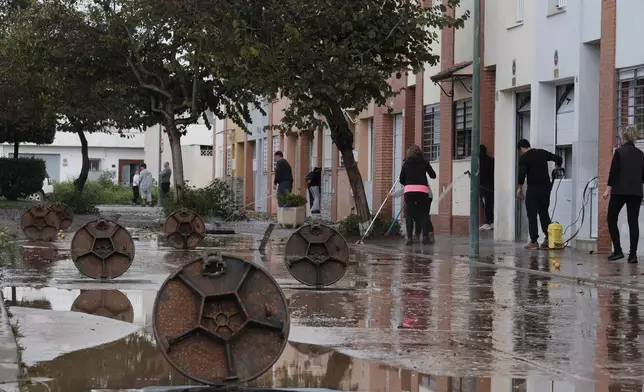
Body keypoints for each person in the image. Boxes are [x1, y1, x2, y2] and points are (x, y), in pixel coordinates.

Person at [603, 125, 644, 263]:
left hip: (620, 191)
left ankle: (618, 250)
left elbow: (613, 172)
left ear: (624, 137)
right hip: (636, 192)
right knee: (633, 222)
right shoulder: (641, 154)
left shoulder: (619, 152)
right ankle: (633, 256)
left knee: (611, 218)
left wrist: (608, 189)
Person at [516, 139, 563, 249]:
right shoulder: (542, 152)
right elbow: (558, 158)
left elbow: (521, 174)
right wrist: (558, 167)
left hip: (533, 189)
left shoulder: (524, 158)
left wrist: (519, 188)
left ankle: (534, 241)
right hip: (545, 188)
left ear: (521, 148)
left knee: (532, 214)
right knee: (544, 213)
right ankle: (548, 238)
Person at [399, 144, 437, 246]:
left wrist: (408, 183)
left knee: (409, 215)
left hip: (409, 191)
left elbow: (401, 180)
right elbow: (433, 175)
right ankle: (425, 238)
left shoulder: (406, 164)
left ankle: (410, 239)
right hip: (423, 191)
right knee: (424, 214)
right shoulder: (424, 162)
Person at [479, 144, 495, 231]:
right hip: (491, 186)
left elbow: (480, 174)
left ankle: (488, 222)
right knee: (489, 204)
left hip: (484, 187)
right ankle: (490, 222)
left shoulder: (480, 161)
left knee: (486, 205)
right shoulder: (492, 160)